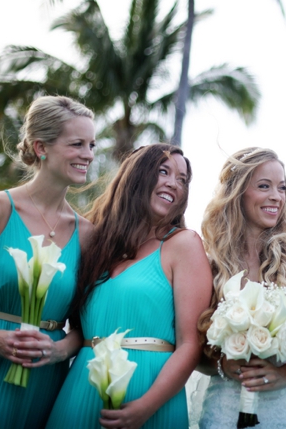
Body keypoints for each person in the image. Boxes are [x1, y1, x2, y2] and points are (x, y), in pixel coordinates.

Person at [0, 96, 96, 428]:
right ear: (41, 147)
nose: (88, 154)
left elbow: (85, 326)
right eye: (77, 144)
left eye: (91, 144)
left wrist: (59, 351)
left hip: (42, 379)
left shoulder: (88, 235)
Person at [46, 143, 212, 429]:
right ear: (136, 176)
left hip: (149, 398)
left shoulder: (184, 245)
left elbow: (190, 344)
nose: (174, 183)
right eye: (164, 171)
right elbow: (81, 330)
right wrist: (58, 350)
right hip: (80, 390)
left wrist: (145, 407)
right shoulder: (97, 244)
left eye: (182, 179)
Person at [196, 147, 286, 428]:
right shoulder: (210, 265)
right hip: (223, 411)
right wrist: (222, 366)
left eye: (282, 188)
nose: (276, 196)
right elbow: (192, 349)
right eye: (264, 186)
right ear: (237, 193)